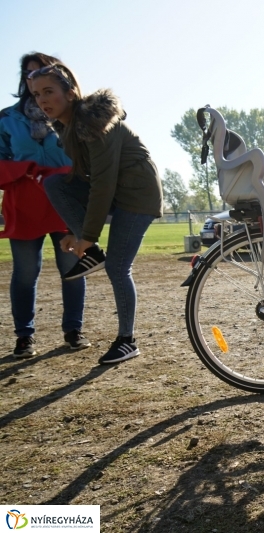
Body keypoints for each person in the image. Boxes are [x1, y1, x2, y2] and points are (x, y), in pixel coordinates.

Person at [29, 63, 163, 365]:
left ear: (70, 92)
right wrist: (74, 231)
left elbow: (102, 183)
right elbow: (83, 180)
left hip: (137, 195)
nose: (42, 100)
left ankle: (127, 341)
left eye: (48, 91)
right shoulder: (67, 128)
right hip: (116, 191)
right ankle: (92, 253)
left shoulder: (95, 124)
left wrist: (87, 237)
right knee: (54, 183)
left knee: (117, 267)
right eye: (36, 95)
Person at [0, 52, 90, 358]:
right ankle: (24, 336)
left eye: (40, 72)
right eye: (28, 74)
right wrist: (23, 170)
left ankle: (73, 331)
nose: (33, 80)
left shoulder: (72, 115)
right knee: (25, 272)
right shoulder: (6, 119)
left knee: (72, 267)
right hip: (24, 202)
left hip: (64, 198)